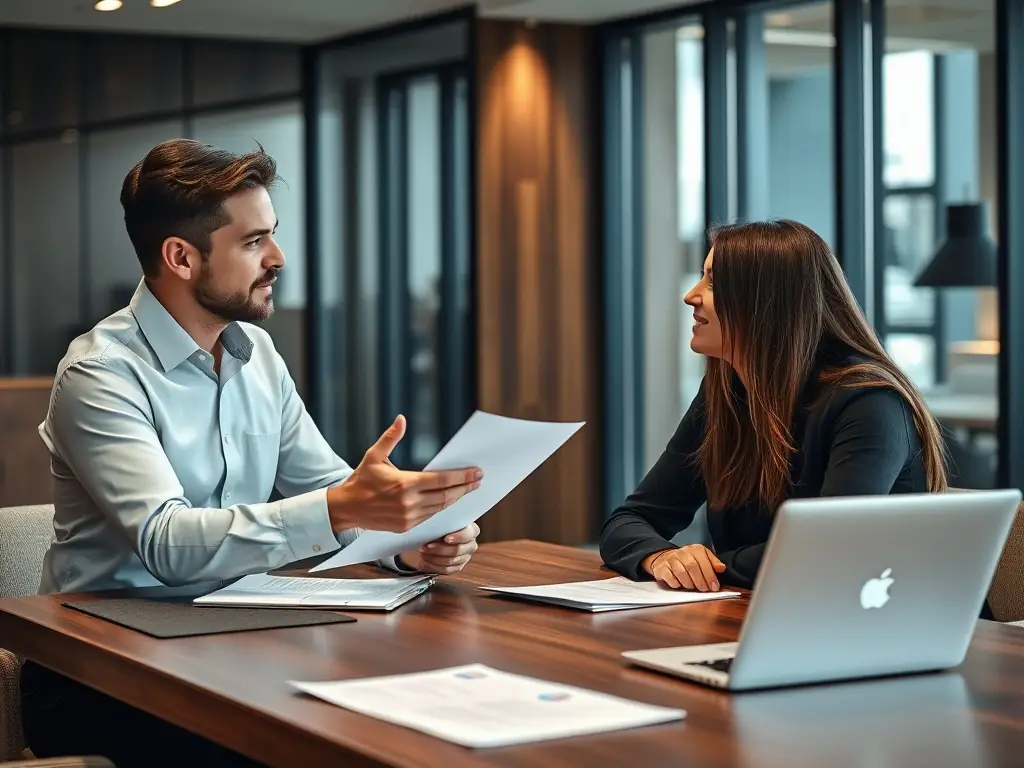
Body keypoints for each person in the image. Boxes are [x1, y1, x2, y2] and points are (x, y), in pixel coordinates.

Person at [21, 139, 482, 767]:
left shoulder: (257, 355)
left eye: (273, 235)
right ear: (181, 257)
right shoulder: (101, 375)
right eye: (252, 242)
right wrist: (346, 508)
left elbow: (326, 489)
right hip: (103, 667)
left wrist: (403, 539)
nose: (278, 258)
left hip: (231, 637)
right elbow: (168, 544)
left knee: (409, 722)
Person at [599, 219, 948, 594]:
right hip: (772, 613)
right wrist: (661, 558)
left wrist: (704, 566)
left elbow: (825, 548)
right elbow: (631, 520)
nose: (691, 295)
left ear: (768, 303)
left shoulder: (870, 404)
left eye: (713, 282)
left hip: (892, 626)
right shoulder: (726, 392)